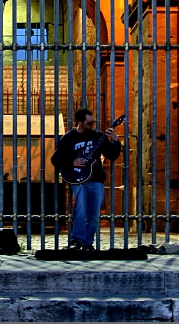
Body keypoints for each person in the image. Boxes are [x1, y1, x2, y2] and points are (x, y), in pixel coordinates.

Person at [51, 107, 121, 251]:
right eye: (89, 123)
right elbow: (55, 158)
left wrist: (115, 140)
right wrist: (72, 162)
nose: (92, 125)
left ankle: (88, 243)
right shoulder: (68, 138)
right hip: (77, 178)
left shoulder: (97, 136)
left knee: (94, 214)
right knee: (80, 209)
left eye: (93, 122)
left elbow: (112, 155)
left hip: (96, 179)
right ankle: (77, 240)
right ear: (80, 122)